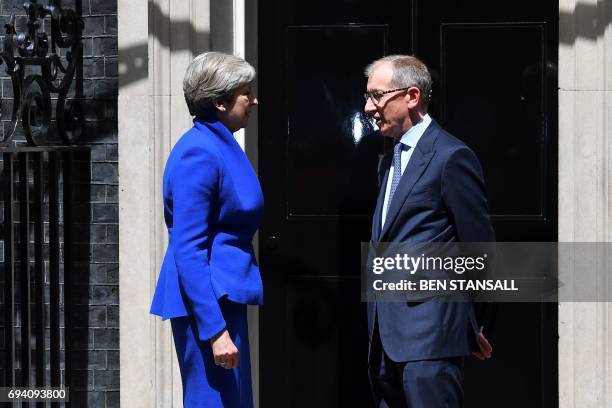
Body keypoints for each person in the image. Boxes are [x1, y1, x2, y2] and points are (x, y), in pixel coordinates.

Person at [364, 55, 495, 407]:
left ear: (411, 96)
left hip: (431, 338)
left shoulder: (452, 157)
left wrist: (475, 325)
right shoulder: (390, 160)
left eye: (377, 96)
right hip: (385, 339)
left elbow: (480, 248)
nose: (368, 107)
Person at [150, 51, 262, 408]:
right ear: (220, 102)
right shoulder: (199, 152)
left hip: (225, 295)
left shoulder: (220, 143)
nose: (254, 100)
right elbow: (188, 248)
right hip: (209, 304)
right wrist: (214, 331)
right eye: (247, 93)